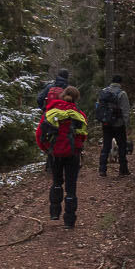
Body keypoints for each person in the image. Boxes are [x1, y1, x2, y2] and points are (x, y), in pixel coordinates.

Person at [38, 85, 89, 227]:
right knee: (71, 186)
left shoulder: (50, 112)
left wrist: (47, 149)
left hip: (55, 152)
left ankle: (54, 213)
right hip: (73, 153)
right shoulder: (79, 114)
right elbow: (83, 135)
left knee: (56, 181)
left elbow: (40, 134)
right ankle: (69, 220)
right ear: (76, 99)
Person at [93, 74, 131, 176]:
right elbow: (126, 112)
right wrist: (127, 126)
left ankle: (102, 169)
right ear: (120, 83)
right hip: (119, 125)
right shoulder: (122, 94)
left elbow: (99, 107)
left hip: (106, 123)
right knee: (122, 146)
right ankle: (123, 169)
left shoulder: (104, 91)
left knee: (106, 146)